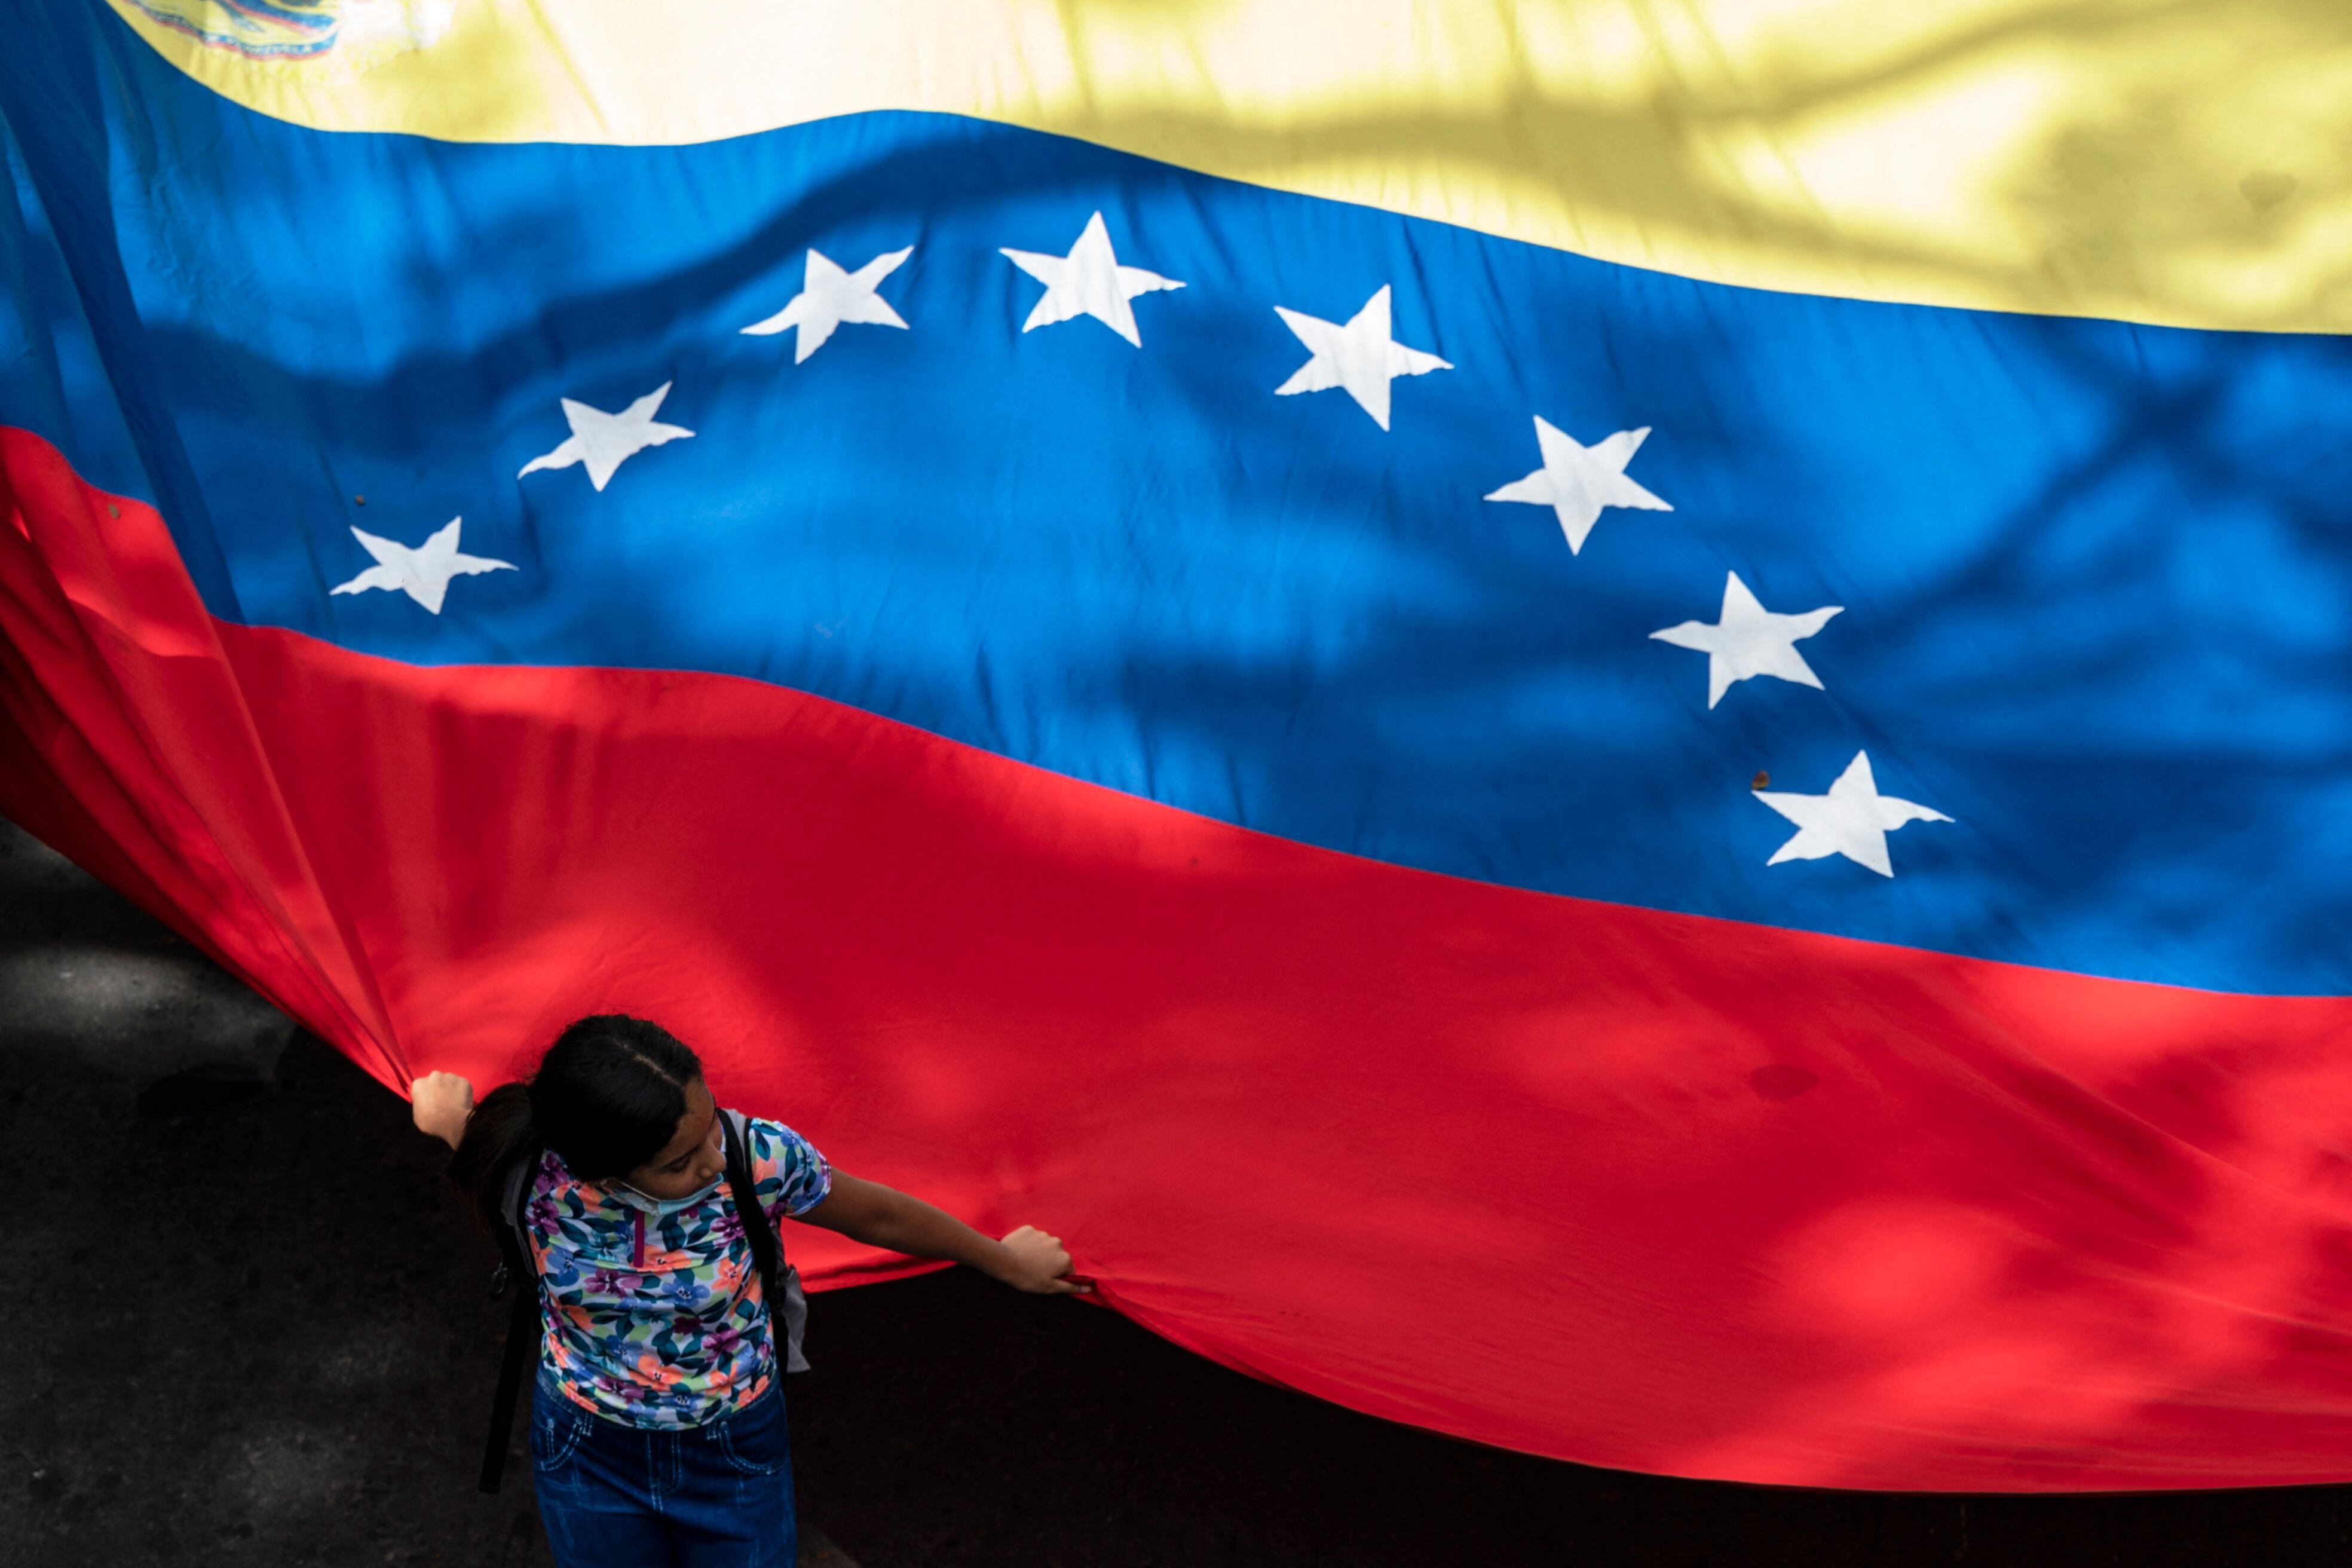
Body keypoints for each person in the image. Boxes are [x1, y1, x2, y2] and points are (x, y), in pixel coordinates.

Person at [410, 1013, 1083, 1568]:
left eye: (709, 1121)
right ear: (603, 1173)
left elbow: (881, 1215)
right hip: (587, 1448)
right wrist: (446, 1119)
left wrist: (1001, 1259)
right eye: (678, 1162)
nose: (712, 1157)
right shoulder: (523, 1173)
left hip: (731, 1449)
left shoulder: (755, 1157)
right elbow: (471, 1140)